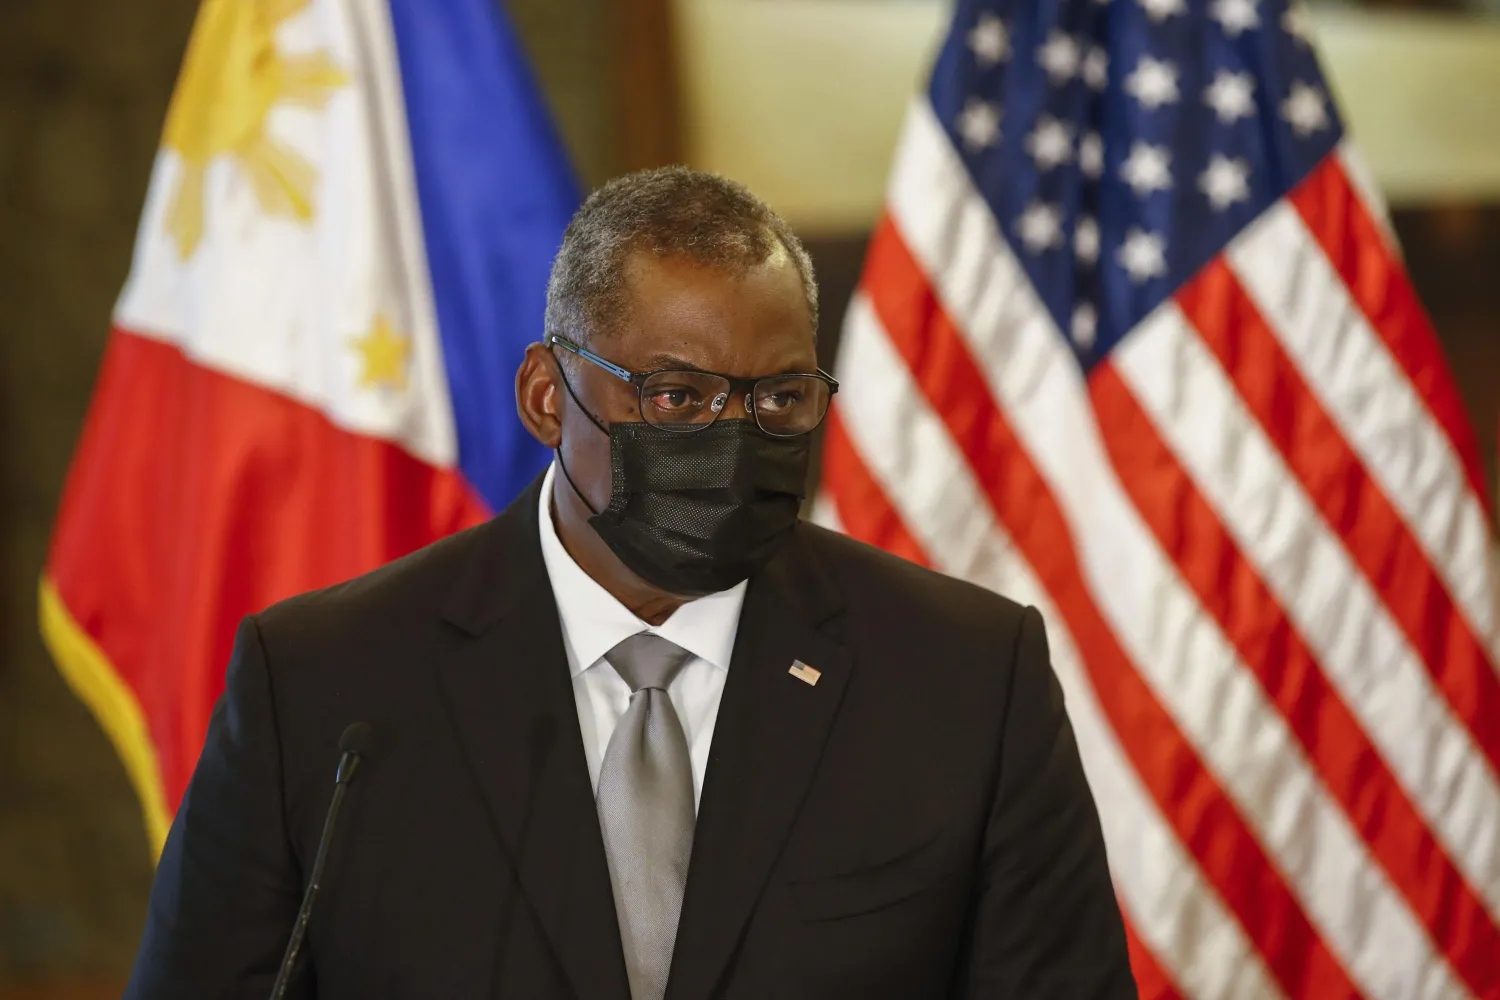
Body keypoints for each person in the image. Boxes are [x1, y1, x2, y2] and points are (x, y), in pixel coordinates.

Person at [123, 167, 1137, 999]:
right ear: (546, 398)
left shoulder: (966, 679)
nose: (733, 439)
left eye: (780, 396)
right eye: (678, 394)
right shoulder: (324, 688)